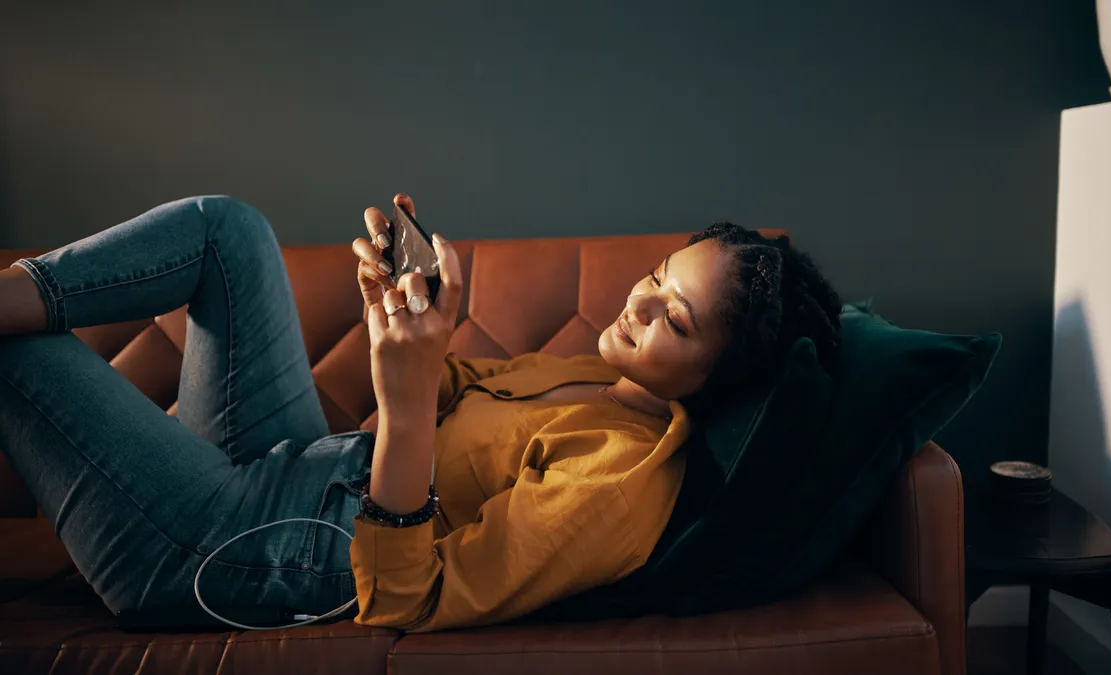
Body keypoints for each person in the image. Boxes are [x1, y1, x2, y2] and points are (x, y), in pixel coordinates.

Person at [0, 193, 841, 632]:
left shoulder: (621, 482)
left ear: (720, 375)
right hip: (297, 457)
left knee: (21, 350)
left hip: (235, 548)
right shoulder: (594, 371)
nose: (641, 304)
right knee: (230, 230)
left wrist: (401, 408)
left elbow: (409, 596)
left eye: (676, 319)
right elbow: (450, 387)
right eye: (658, 275)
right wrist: (401, 320)